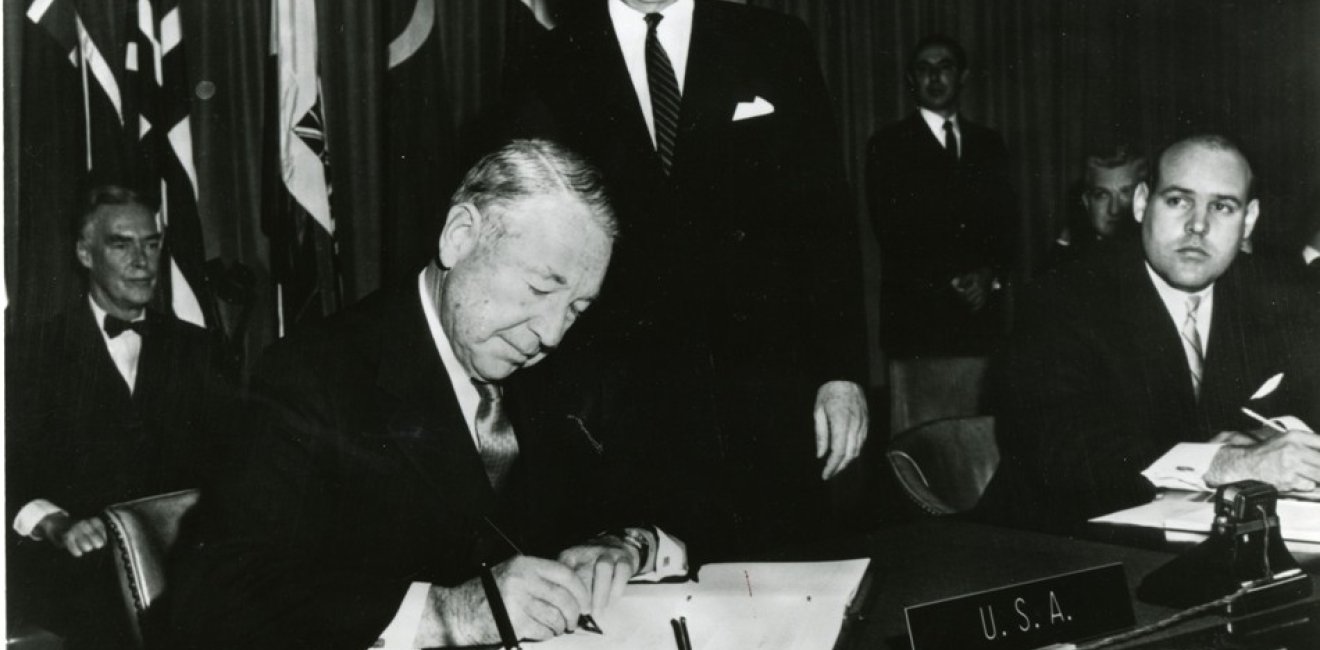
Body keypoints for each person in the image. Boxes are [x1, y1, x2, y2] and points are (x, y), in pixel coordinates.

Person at [161, 140, 690, 650]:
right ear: (459, 236)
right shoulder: (314, 374)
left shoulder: (554, 374)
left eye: (576, 309)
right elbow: (211, 601)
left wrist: (623, 544)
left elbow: (653, 503)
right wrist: (447, 613)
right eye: (540, 288)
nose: (552, 333)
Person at [509, 0, 869, 552]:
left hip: (767, 401)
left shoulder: (773, 39)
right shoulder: (550, 57)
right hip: (623, 416)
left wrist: (840, 373)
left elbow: (825, 221)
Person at [978, 134, 1320, 532]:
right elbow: (1060, 449)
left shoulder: (1281, 295)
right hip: (1062, 547)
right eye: (1178, 200)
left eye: (1223, 207)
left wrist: (1273, 437)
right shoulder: (1062, 297)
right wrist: (1223, 463)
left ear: (1249, 219)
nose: (1198, 225)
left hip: (1208, 540)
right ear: (1142, 203)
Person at [6, 185, 235, 649]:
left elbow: (237, 463)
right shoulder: (24, 355)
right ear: (84, 254)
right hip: (77, 573)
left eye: (151, 244)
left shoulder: (202, 350)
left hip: (187, 565)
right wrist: (54, 523)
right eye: (121, 244)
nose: (142, 261)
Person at [866, 34, 1017, 359]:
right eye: (924, 69)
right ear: (911, 80)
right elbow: (891, 229)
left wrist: (988, 274)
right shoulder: (887, 146)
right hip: (917, 320)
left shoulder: (989, 144)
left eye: (944, 67)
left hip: (982, 321)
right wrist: (951, 280)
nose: (934, 77)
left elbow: (1007, 223)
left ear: (962, 77)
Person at [1046, 143, 1145, 270]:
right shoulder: (1066, 260)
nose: (1114, 210)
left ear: (1145, 197)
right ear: (1087, 202)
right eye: (1102, 195)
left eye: (1126, 192)